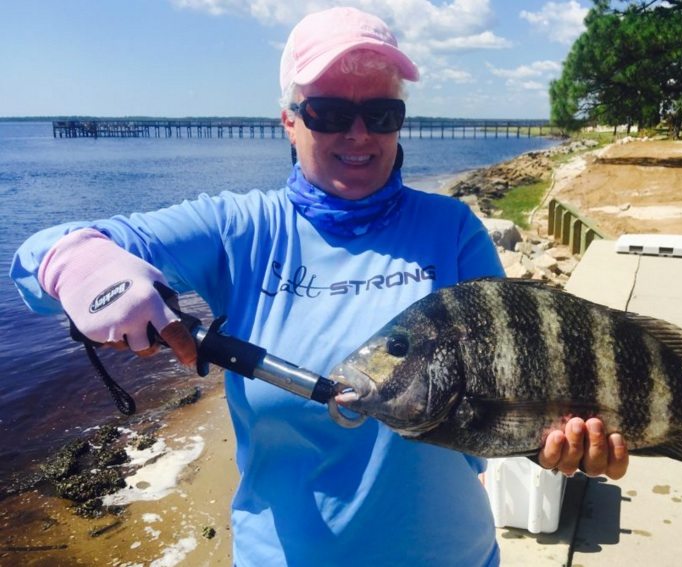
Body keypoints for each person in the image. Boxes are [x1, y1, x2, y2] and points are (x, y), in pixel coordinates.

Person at [10, 7, 627, 566]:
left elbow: (505, 397)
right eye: (329, 113)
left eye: (381, 114)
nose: (358, 135)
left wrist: (556, 445)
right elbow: (42, 256)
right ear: (290, 120)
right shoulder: (241, 228)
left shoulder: (454, 229)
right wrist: (85, 268)